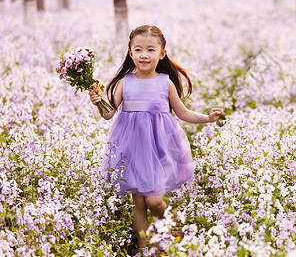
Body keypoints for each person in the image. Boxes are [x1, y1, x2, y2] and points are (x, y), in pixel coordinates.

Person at [89, 25, 223, 256]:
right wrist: (99, 101)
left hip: (159, 148)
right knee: (138, 203)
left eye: (150, 49)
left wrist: (207, 118)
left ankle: (175, 228)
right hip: (131, 149)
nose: (144, 55)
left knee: (154, 201)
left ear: (162, 53)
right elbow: (109, 114)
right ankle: (143, 250)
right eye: (138, 49)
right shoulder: (125, 82)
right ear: (130, 52)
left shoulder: (165, 82)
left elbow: (183, 113)